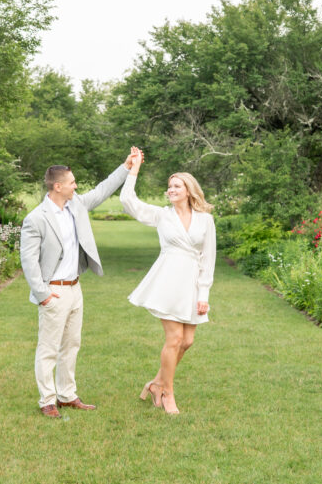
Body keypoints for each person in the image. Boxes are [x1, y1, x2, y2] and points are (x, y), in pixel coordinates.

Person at [20, 150, 136, 418]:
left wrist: (126, 167)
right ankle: (47, 400)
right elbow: (28, 262)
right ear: (57, 186)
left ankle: (67, 395)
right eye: (72, 182)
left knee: (71, 345)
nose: (76, 186)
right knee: (48, 348)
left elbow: (103, 189)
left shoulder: (76, 205)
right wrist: (43, 294)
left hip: (75, 288)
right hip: (54, 291)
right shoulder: (36, 218)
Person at [120, 149, 216, 414]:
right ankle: (167, 393)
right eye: (169, 186)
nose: (171, 190)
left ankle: (156, 383)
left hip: (192, 284)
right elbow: (128, 202)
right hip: (167, 281)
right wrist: (134, 169)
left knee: (187, 342)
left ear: (189, 190)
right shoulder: (161, 215)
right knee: (174, 339)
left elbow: (208, 258)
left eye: (177, 186)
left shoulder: (205, 220)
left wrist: (204, 294)